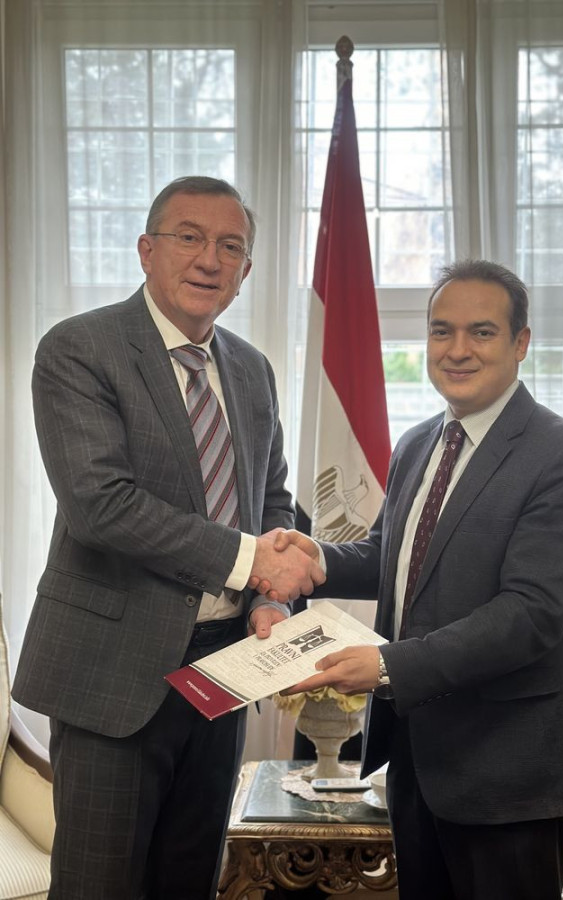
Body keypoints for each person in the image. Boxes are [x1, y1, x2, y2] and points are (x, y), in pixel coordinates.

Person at [263, 260, 563, 900]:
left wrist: (387, 665)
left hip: (511, 775)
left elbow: (531, 614)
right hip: (417, 763)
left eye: (481, 332)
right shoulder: (420, 443)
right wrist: (320, 560)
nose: (457, 350)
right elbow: (398, 556)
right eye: (441, 330)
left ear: (521, 342)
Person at [12, 176, 323, 900]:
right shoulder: (80, 349)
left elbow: (270, 501)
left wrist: (268, 600)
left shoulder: (251, 370)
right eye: (189, 237)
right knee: (99, 887)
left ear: (246, 271)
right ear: (146, 250)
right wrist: (251, 560)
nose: (209, 259)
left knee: (190, 882)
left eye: (229, 246)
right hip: (111, 678)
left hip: (224, 673)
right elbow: (101, 505)